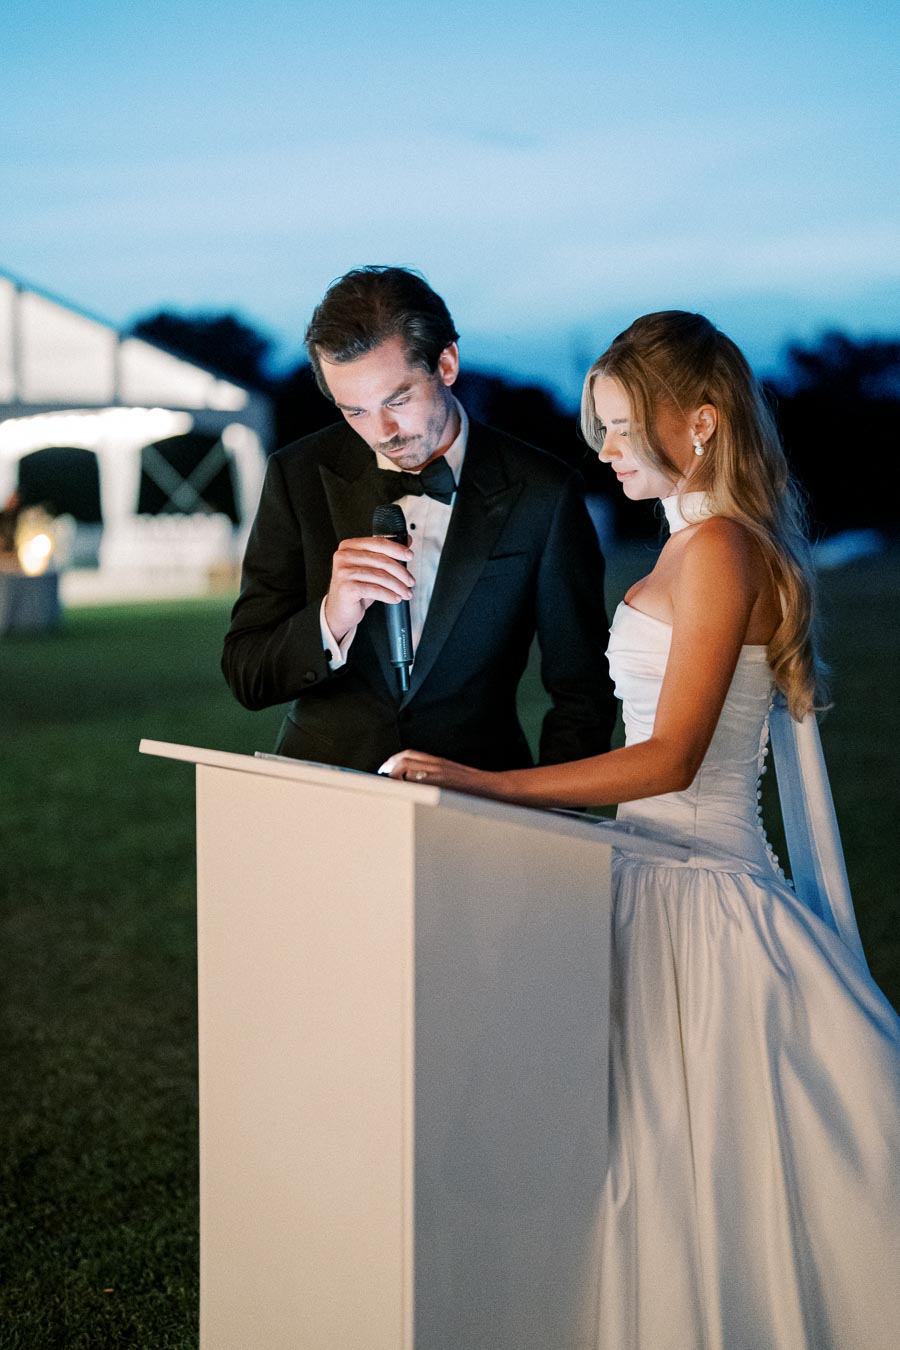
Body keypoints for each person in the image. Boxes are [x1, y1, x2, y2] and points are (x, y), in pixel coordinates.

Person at [382, 311, 900, 1348]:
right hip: (643, 877)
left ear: (699, 425)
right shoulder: (694, 544)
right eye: (600, 429)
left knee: (692, 1158)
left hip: (702, 896)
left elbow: (669, 759)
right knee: (637, 1162)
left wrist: (487, 785)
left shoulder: (718, 552)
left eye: (619, 428)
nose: (603, 450)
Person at [222, 266, 616, 772]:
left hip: (476, 798)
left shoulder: (545, 492)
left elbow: (582, 694)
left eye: (397, 400)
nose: (382, 432)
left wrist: (550, 822)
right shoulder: (297, 475)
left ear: (446, 363)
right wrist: (330, 618)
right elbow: (246, 674)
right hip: (321, 793)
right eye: (355, 411)